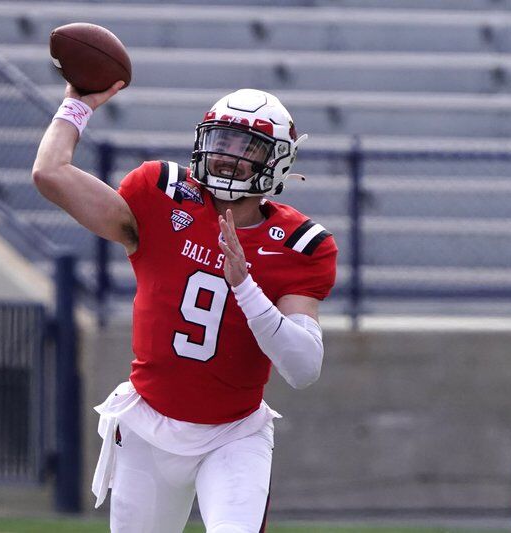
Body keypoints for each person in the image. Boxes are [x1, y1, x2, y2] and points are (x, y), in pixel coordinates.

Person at [32, 82, 337, 533]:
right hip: (147, 425)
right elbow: (50, 175)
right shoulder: (161, 194)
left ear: (277, 161)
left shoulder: (299, 244)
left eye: (245, 147)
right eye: (221, 141)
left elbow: (304, 367)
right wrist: (77, 104)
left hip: (234, 434)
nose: (228, 156)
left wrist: (245, 286)